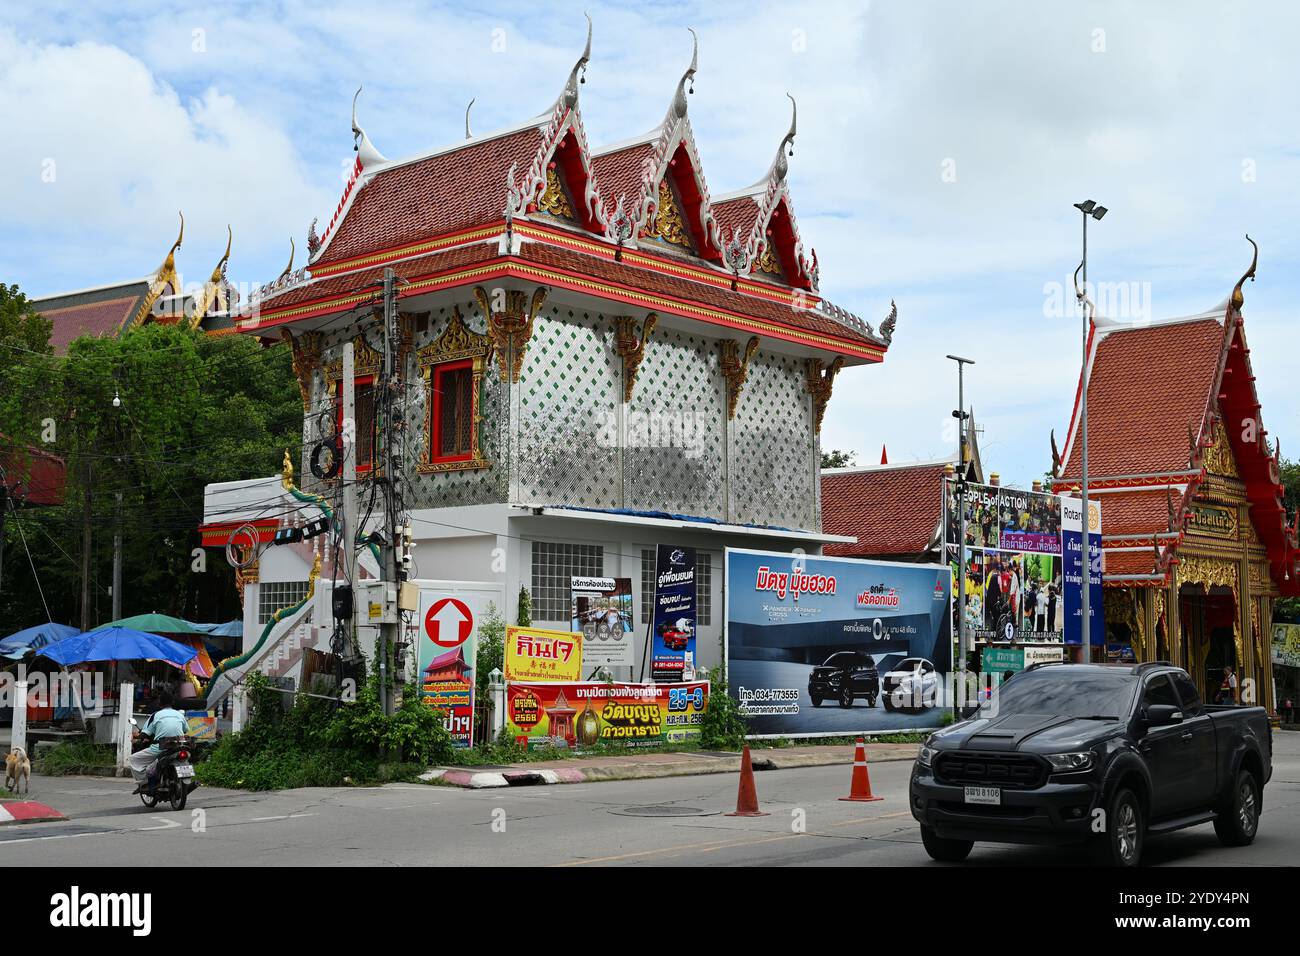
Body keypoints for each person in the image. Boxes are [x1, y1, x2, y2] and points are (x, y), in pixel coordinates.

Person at [129, 687, 188, 792]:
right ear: (172, 702)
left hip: (161, 747)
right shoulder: (180, 714)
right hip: (179, 746)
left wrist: (138, 736)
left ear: (160, 703)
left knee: (134, 759)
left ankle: (144, 783)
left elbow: (145, 734)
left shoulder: (156, 715)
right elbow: (185, 730)